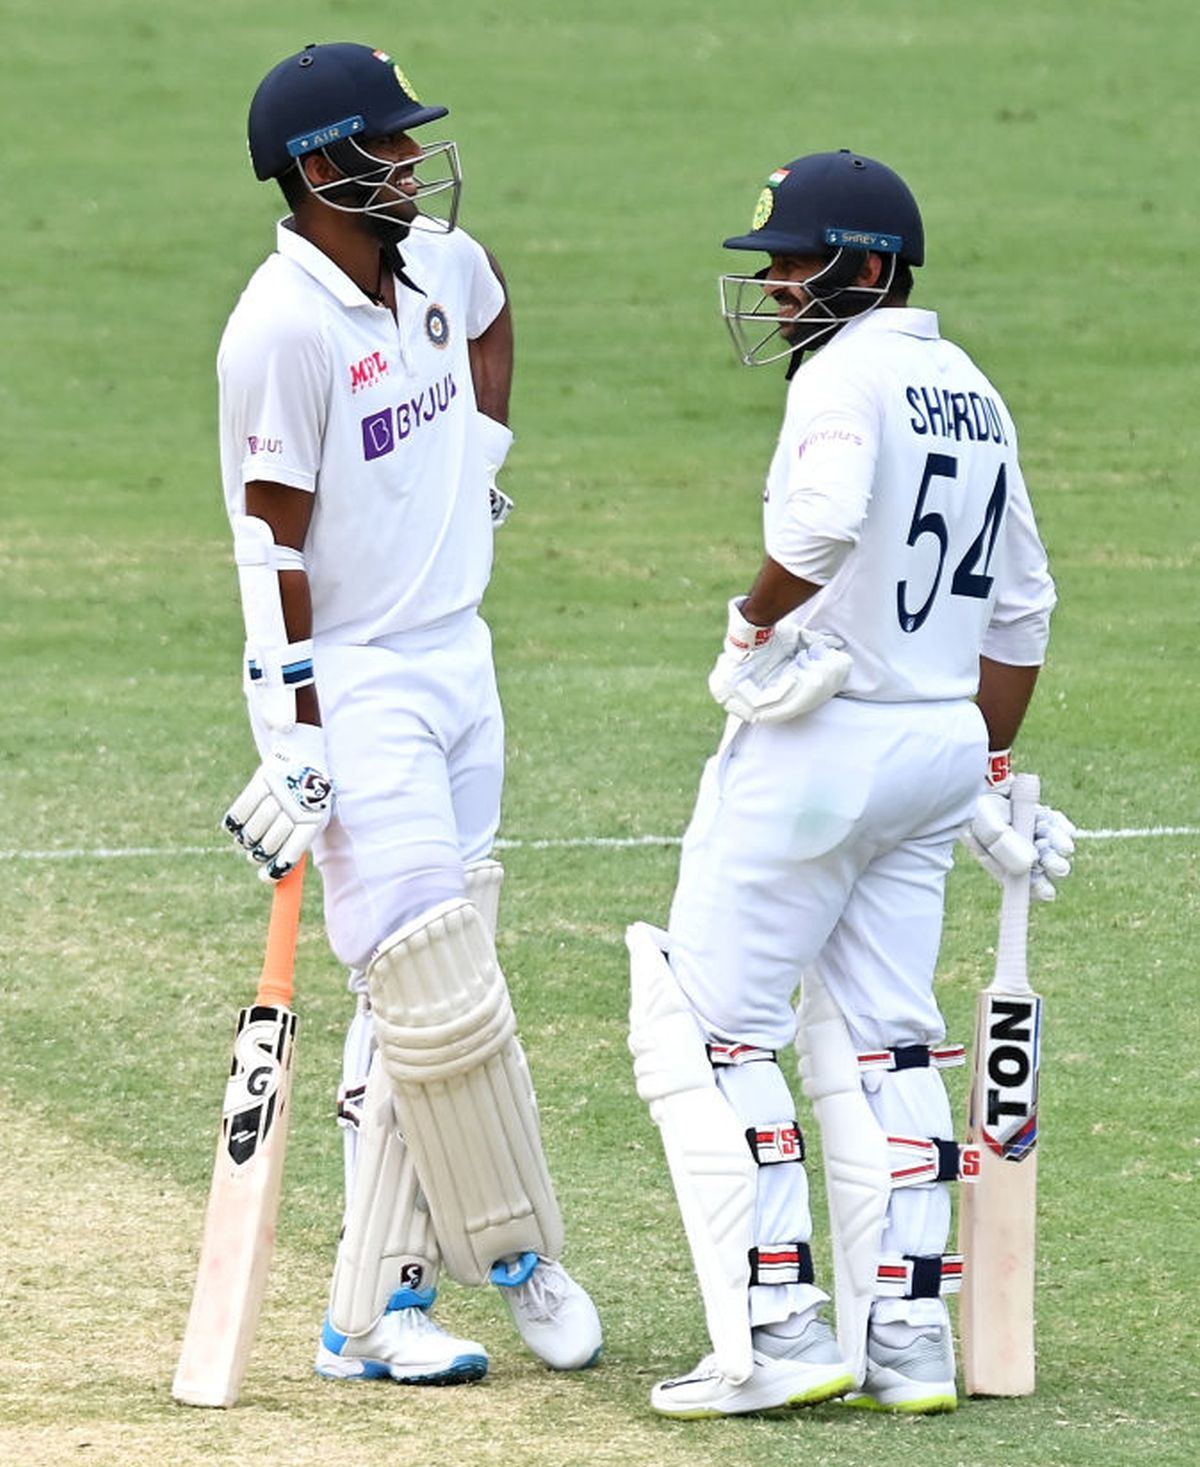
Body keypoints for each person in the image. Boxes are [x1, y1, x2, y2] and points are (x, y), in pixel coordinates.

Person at [627, 149, 1075, 1419]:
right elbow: (1025, 608)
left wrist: (747, 625)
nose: (772, 287)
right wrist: (984, 768)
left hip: (823, 739)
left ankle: (775, 1327)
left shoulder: (847, 372)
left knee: (705, 1029)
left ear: (866, 267)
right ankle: (911, 1337)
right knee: (888, 1035)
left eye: (792, 260)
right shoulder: (974, 390)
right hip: (933, 744)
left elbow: (817, 527)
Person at [217, 41, 601, 1386]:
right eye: (386, 146)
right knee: (428, 987)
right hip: (363, 680)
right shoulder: (281, 327)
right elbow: (268, 547)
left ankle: (382, 1299)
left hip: (462, 659)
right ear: (321, 171)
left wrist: (482, 462)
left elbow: (493, 312)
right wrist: (296, 732)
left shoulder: (440, 260)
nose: (411, 163)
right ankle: (479, 1265)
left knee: (442, 981)